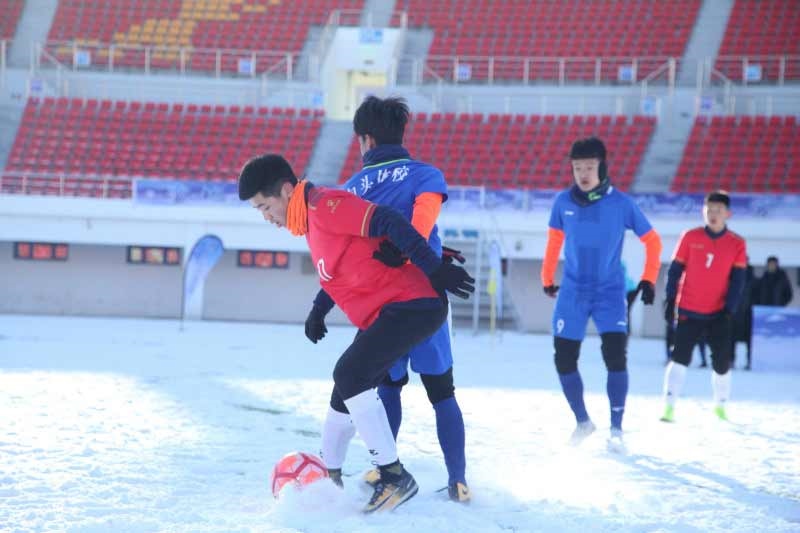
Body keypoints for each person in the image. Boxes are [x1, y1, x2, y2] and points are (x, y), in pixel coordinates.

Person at [237, 154, 475, 512]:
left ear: (286, 191)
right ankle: (328, 478)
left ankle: (394, 477)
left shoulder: (324, 206)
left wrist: (434, 268)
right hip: (388, 312)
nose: (266, 217)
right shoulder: (311, 224)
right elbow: (342, 269)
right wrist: (319, 309)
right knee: (343, 390)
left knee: (350, 374)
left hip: (413, 304)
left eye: (264, 207)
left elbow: (389, 220)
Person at [315, 95, 470, 502]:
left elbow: (340, 258)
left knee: (388, 388)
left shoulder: (350, 189)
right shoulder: (425, 174)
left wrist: (320, 306)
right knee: (442, 393)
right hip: (426, 300)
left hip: (383, 310)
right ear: (400, 134)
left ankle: (385, 469)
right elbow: (423, 220)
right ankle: (458, 481)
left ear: (365, 140)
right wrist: (418, 251)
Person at [541, 137, 662, 451]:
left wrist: (649, 279)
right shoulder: (563, 202)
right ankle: (583, 421)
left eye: (589, 167)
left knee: (615, 358)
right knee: (563, 358)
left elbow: (653, 242)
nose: (583, 174)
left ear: (602, 167)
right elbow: (554, 242)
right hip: (573, 292)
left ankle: (616, 430)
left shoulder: (621, 203)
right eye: (577, 167)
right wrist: (547, 277)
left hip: (610, 293)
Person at [661, 191, 747, 423]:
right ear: (703, 211)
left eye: (718, 210)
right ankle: (669, 407)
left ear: (727, 214)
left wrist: (729, 309)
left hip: (718, 313)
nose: (713, 214)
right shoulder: (690, 237)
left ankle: (721, 407)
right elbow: (674, 271)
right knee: (679, 358)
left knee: (721, 362)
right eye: (709, 210)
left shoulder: (737, 243)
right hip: (688, 309)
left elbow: (738, 280)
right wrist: (670, 300)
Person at [731, 259, 755, 370]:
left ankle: (750, 361)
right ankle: (731, 360)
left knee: (750, 340)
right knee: (731, 339)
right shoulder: (731, 276)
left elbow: (758, 295)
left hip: (748, 314)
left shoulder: (753, 279)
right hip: (734, 313)